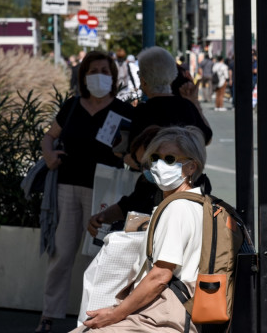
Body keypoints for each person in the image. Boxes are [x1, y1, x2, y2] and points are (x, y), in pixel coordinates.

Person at [72, 125, 207, 332]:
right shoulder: (198, 203)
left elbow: (160, 276)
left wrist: (114, 314)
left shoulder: (177, 208)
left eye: (170, 159)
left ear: (191, 167)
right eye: (154, 158)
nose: (160, 165)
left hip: (164, 315)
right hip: (172, 311)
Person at [36, 51, 135, 333]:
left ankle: (92, 320)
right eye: (93, 70)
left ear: (114, 76)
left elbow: (135, 152)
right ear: (83, 75)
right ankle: (49, 315)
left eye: (105, 70)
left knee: (99, 257)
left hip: (105, 193)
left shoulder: (124, 111)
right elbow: (49, 136)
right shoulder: (72, 106)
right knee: (61, 254)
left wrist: (125, 155)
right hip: (67, 186)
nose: (99, 75)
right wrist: (48, 155)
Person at [126, 47, 212, 164]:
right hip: (186, 177)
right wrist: (194, 102)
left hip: (152, 179)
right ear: (172, 77)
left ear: (143, 81)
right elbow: (206, 137)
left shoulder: (142, 111)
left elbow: (135, 154)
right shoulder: (187, 106)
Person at [87, 125, 162, 237]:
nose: (145, 171)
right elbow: (127, 205)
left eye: (148, 164)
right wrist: (102, 217)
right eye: (140, 165)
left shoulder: (178, 189)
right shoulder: (145, 182)